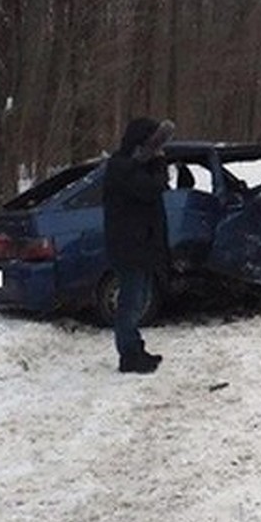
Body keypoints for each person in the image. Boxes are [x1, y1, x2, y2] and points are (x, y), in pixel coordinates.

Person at [104, 116, 174, 373]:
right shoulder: (120, 166)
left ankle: (135, 347)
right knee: (131, 303)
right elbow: (152, 188)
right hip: (128, 246)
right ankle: (129, 355)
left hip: (141, 244)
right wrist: (158, 162)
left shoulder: (135, 166)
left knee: (141, 299)